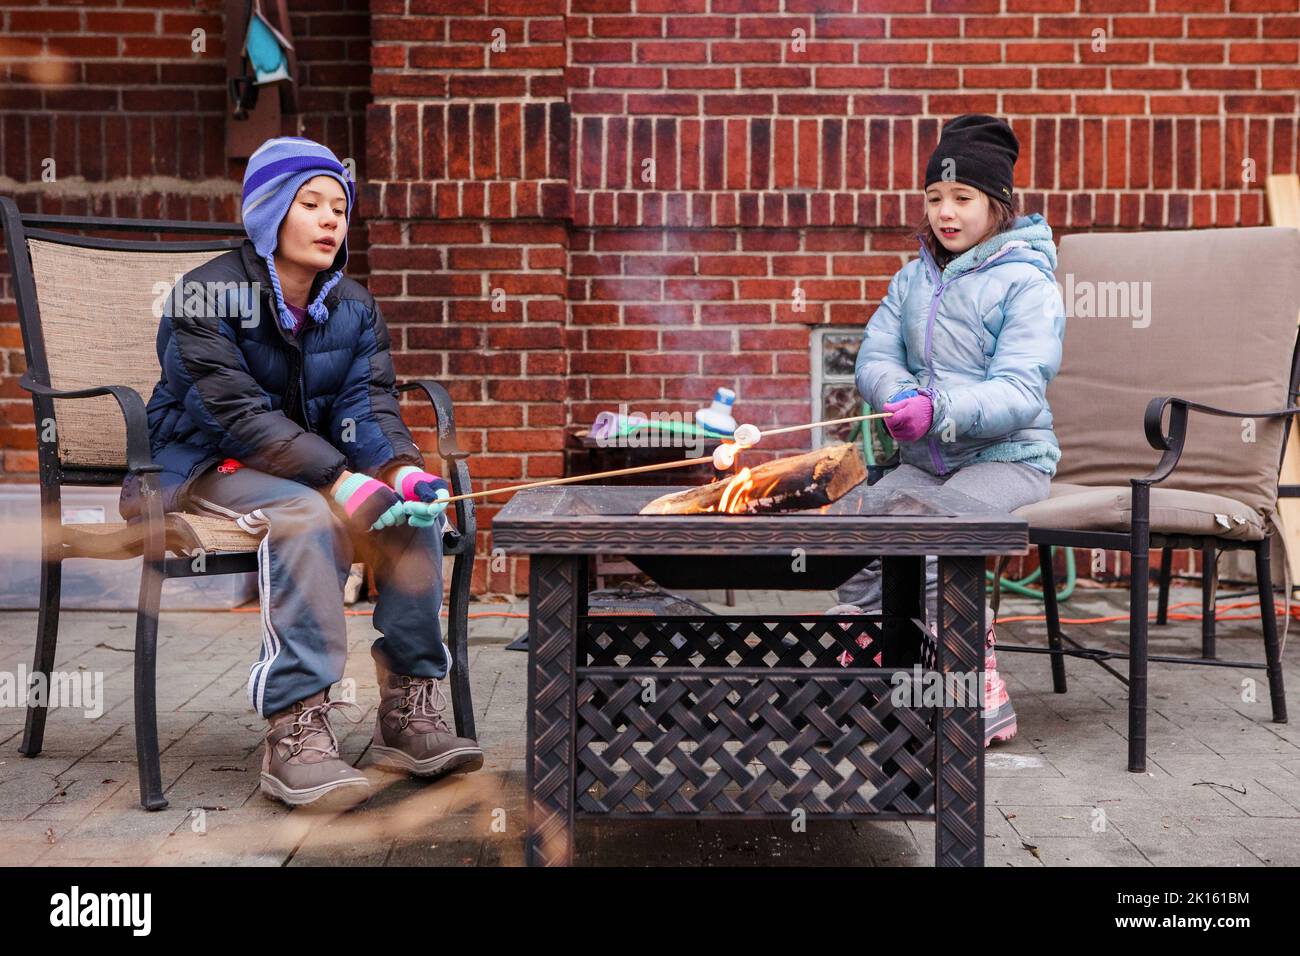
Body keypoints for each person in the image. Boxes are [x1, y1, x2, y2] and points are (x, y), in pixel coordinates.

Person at [120, 136, 482, 809]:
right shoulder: (205, 297)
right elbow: (238, 417)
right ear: (268, 213)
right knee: (305, 513)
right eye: (309, 203)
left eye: (339, 208)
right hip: (203, 460)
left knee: (413, 517)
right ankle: (296, 727)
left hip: (307, 464)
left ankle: (408, 708)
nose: (329, 220)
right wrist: (339, 480)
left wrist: (402, 473)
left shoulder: (352, 305)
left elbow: (367, 406)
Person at [834, 114, 1068, 746]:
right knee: (856, 538)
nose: (946, 212)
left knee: (937, 535)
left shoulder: (1027, 282)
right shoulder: (912, 279)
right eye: (935, 198)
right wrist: (896, 393)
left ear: (996, 205)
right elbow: (875, 356)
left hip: (1007, 457)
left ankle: (973, 679)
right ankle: (870, 672)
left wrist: (937, 406)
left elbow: (1020, 391)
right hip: (924, 460)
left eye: (962, 198)